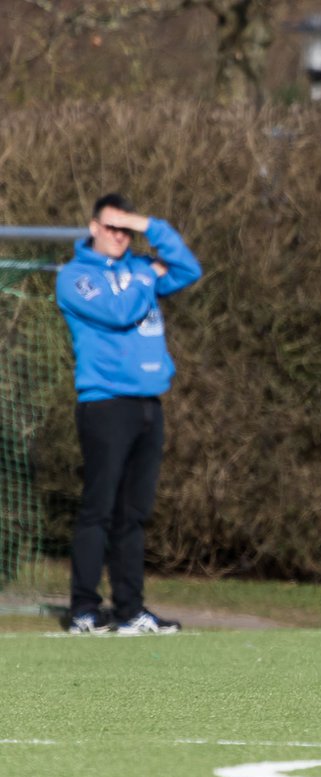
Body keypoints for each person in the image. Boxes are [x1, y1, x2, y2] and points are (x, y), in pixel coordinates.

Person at [55, 193, 202, 635]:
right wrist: (145, 278)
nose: (119, 236)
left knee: (133, 513)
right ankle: (83, 609)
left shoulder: (138, 266)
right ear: (93, 227)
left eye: (126, 230)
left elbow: (189, 268)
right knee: (98, 509)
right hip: (105, 404)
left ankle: (129, 609)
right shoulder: (74, 277)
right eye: (112, 227)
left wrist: (148, 224)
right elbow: (119, 312)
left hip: (147, 404)